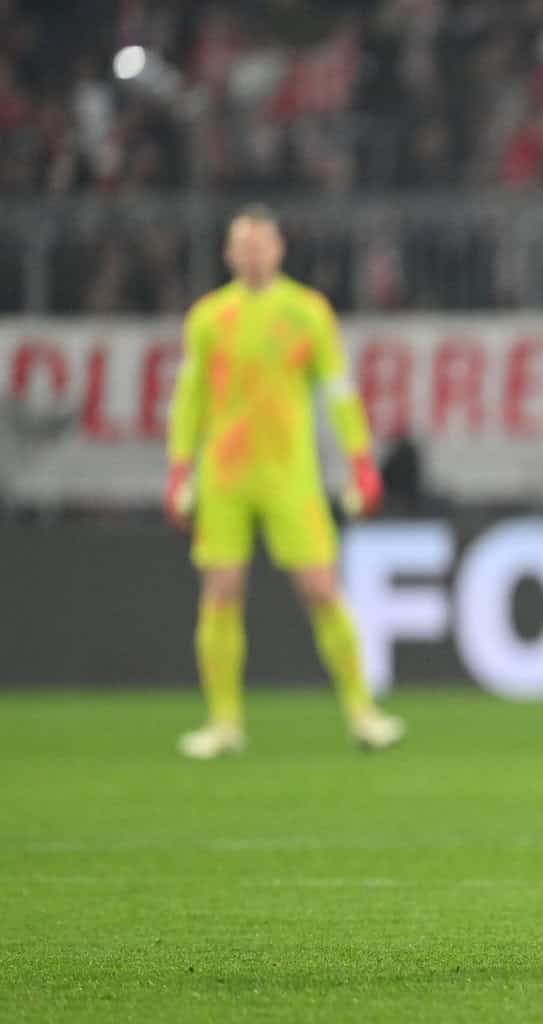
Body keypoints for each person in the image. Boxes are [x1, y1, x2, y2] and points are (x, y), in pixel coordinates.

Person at [164, 206, 405, 759]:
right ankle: (224, 723)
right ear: (229, 254)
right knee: (221, 592)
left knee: (321, 589)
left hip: (291, 475)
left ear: (279, 250)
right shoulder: (208, 317)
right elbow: (190, 398)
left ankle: (363, 714)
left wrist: (361, 462)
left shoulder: (308, 312)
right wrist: (179, 469)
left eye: (261, 244)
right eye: (243, 245)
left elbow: (339, 392)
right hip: (225, 476)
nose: (253, 254)